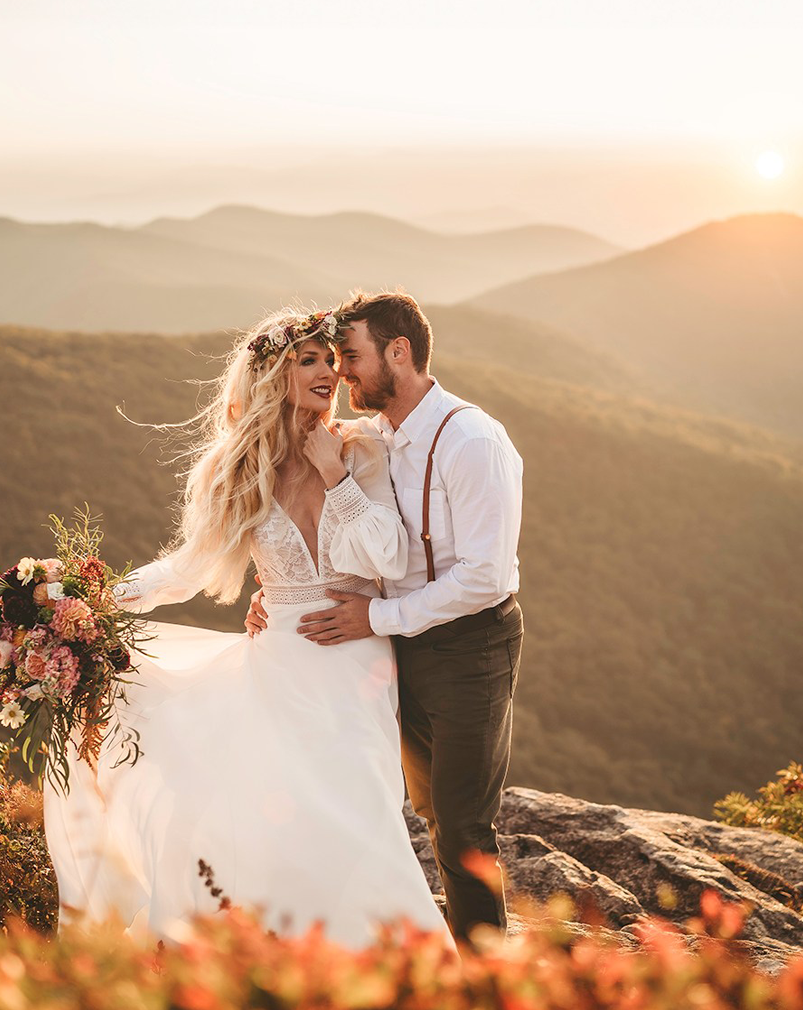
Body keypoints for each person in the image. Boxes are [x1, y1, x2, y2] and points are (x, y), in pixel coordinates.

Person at [43, 306, 452, 951]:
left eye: (331, 359)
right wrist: (89, 603)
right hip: (278, 667)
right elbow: (186, 568)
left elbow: (391, 557)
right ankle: (282, 960)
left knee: (359, 814)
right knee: (274, 817)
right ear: (272, 378)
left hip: (356, 666)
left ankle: (399, 966)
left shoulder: (362, 449)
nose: (329, 372)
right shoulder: (239, 473)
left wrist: (333, 473)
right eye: (309, 361)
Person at [249, 290, 523, 945]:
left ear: (400, 353)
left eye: (352, 358)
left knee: (462, 824)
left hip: (469, 644)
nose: (341, 374)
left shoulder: (473, 441)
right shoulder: (371, 437)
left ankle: (489, 987)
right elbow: (328, 524)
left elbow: (483, 578)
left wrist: (378, 616)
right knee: (427, 810)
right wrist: (280, 591)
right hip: (398, 644)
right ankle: (456, 957)